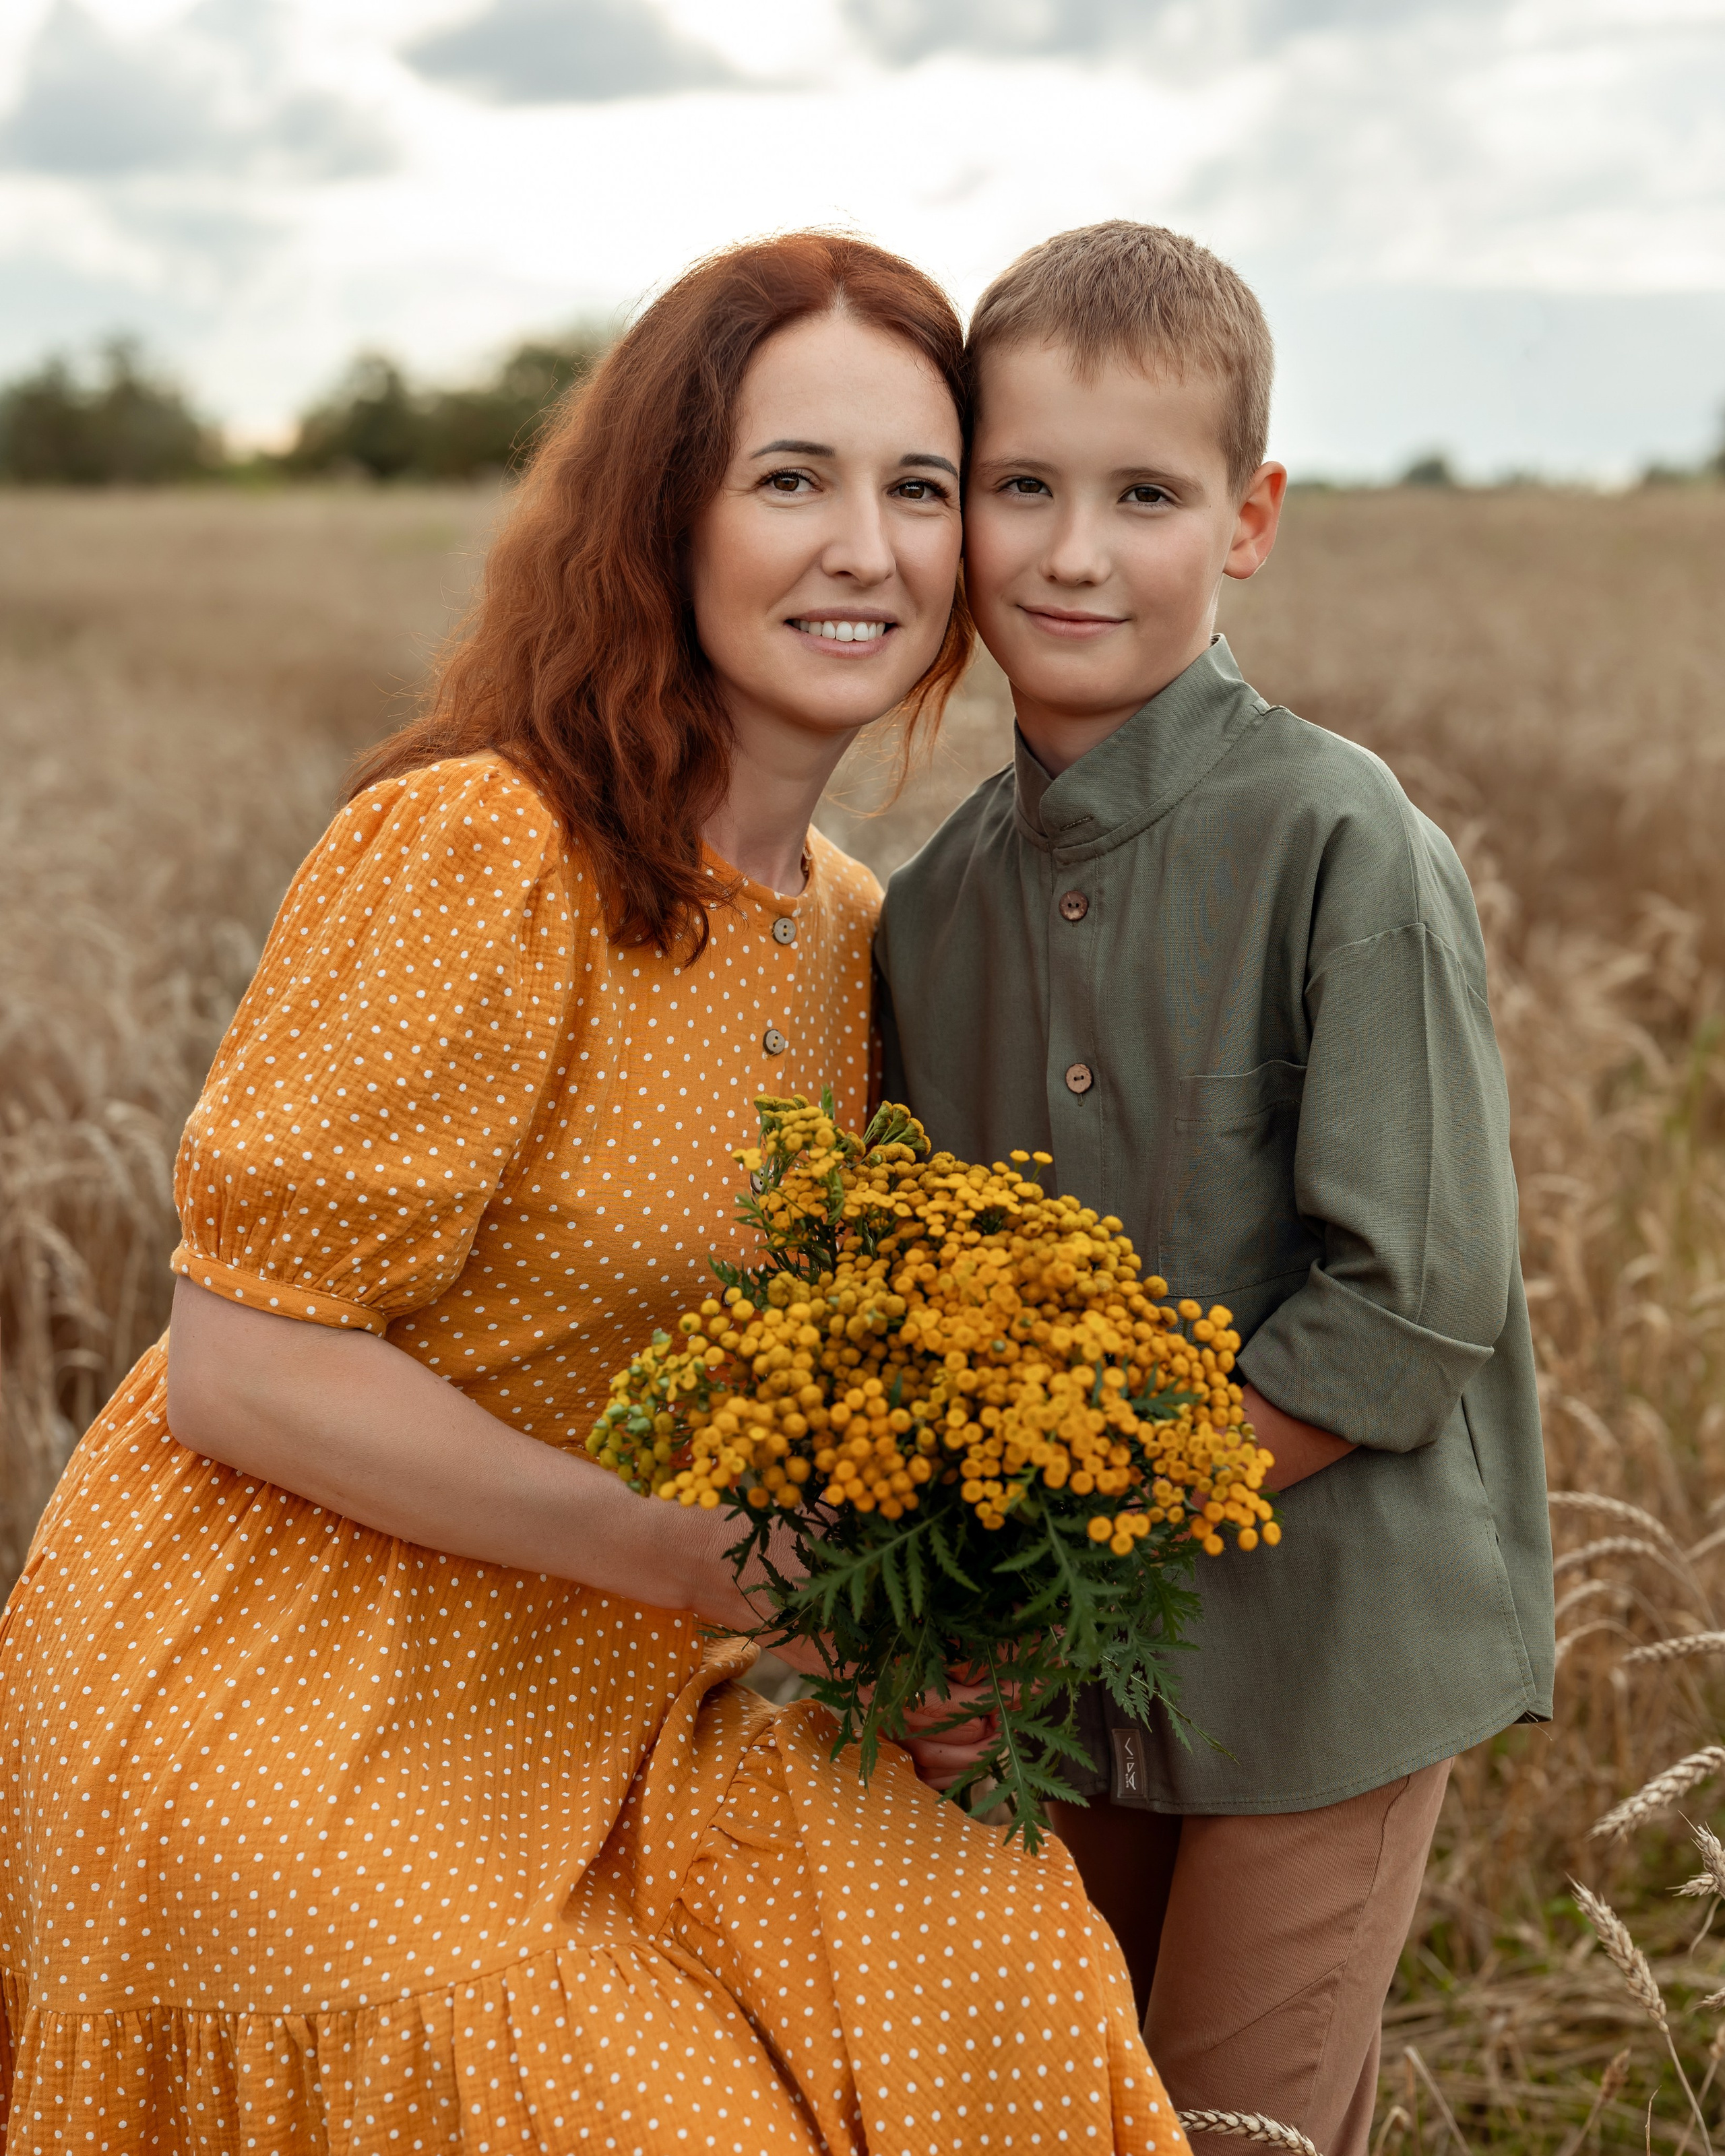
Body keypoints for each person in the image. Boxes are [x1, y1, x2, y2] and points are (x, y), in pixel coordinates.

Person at [0, 233, 1178, 2156]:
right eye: (792, 478)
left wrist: (902, 1624)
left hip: (632, 1672)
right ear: (666, 517)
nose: (864, 549)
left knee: (998, 1971)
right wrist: (720, 1566)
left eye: (921, 488)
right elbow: (243, 1374)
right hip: (289, 1673)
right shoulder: (485, 852)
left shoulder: (860, 939)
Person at [875, 221, 1556, 2156]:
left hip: (1324, 1648)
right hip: (1055, 1668)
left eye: (1145, 495)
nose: (1075, 552)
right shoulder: (931, 920)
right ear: (955, 516)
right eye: (1022, 487)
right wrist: (983, 1619)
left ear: (1247, 518)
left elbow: (1408, 1308)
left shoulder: (1347, 844)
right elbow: (943, 1319)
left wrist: (1088, 1548)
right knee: (1071, 2109)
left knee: (1230, 2125)